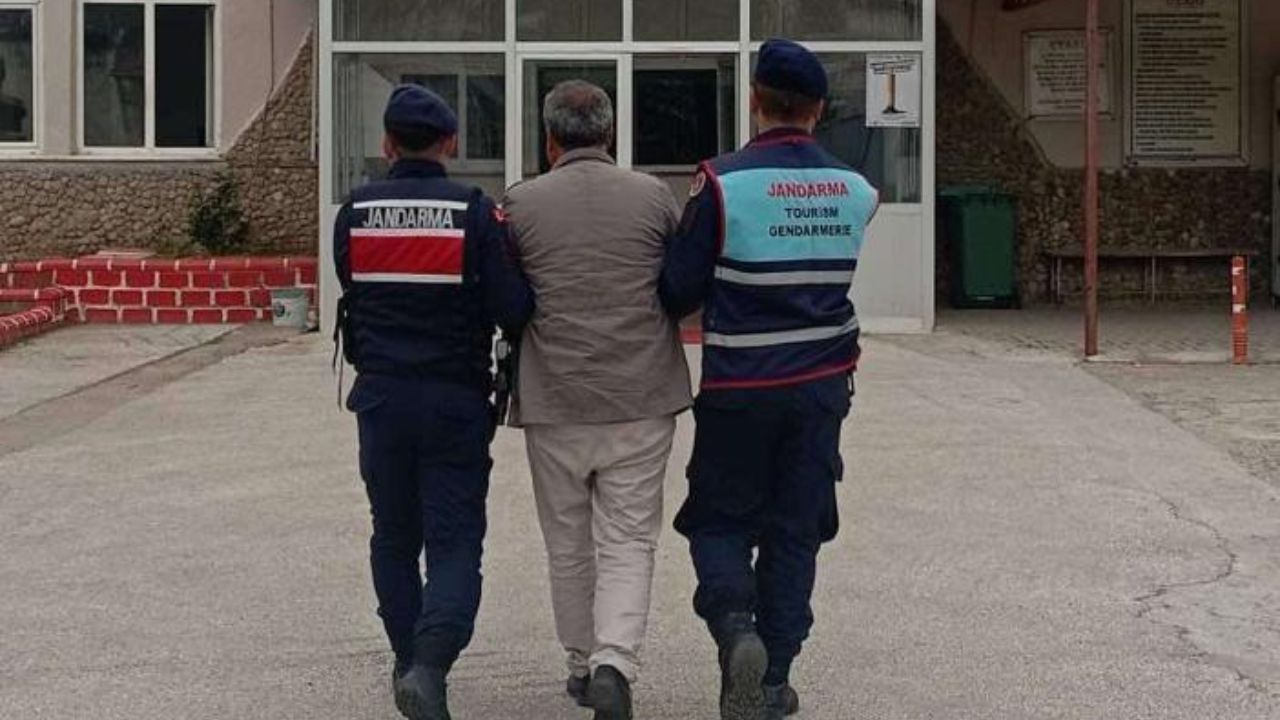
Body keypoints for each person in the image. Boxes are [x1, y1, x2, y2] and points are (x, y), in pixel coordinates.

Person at [659, 39, 879, 720]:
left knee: (718, 519)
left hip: (740, 388)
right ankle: (774, 676)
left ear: (755, 99)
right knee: (795, 530)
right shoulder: (856, 189)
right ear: (820, 108)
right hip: (821, 390)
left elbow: (677, 290)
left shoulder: (721, 183)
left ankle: (735, 629)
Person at [332, 85, 533, 720]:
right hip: (454, 401)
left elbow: (351, 291)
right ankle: (431, 664)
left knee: (393, 535)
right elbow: (514, 309)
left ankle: (407, 659)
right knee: (454, 540)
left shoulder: (355, 212)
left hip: (381, 399)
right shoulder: (473, 211)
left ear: (387, 144)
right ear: (450, 143)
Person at [501, 80, 692, 720]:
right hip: (641, 394)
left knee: (567, 542)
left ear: (549, 139)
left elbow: (512, 299)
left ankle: (581, 663)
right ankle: (616, 662)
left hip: (554, 396)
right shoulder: (652, 196)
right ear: (609, 134)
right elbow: (676, 283)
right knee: (630, 538)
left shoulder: (521, 202)